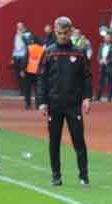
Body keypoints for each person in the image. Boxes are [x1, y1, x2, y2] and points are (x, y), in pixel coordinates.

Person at [36, 16, 92, 186]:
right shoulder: (49, 52)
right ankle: (56, 175)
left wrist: (87, 98)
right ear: (55, 31)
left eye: (65, 33)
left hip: (73, 105)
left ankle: (83, 175)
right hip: (54, 104)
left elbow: (87, 77)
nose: (62, 36)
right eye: (59, 33)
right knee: (54, 141)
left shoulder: (79, 52)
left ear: (71, 31)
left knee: (79, 141)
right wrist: (42, 101)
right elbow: (41, 78)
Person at [96, 31, 112, 102]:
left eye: (108, 37)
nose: (107, 39)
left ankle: (109, 97)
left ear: (111, 38)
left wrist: (108, 61)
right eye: (105, 37)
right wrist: (100, 60)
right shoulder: (101, 45)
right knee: (100, 81)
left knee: (110, 82)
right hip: (102, 65)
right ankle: (98, 97)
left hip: (110, 66)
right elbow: (98, 55)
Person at [24, 35, 44, 109]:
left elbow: (25, 59)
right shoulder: (42, 49)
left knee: (27, 89)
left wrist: (23, 69)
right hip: (38, 71)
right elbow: (43, 61)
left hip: (29, 70)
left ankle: (28, 104)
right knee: (37, 89)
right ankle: (38, 104)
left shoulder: (29, 48)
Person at [11, 22, 29, 99]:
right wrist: (12, 57)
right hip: (16, 56)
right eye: (17, 26)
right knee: (17, 74)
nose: (18, 28)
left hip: (23, 56)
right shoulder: (16, 35)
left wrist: (22, 36)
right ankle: (21, 90)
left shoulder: (27, 34)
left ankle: (25, 91)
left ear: (23, 27)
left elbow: (28, 44)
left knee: (23, 74)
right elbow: (15, 46)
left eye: (20, 26)